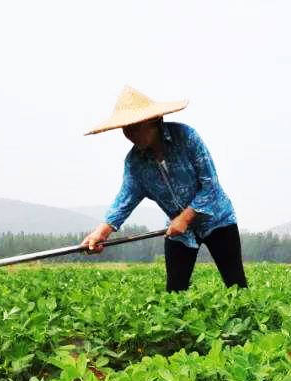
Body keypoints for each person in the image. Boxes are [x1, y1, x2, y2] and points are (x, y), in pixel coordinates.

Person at [81, 85, 247, 292]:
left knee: (236, 285)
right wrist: (101, 232)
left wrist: (185, 218)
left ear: (154, 120)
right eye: (125, 128)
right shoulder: (135, 163)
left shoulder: (186, 137)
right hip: (178, 231)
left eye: (134, 126)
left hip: (218, 219)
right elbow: (125, 200)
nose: (129, 134)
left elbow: (210, 186)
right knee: (174, 293)